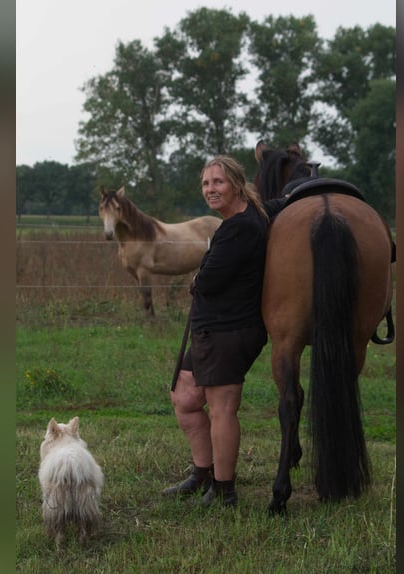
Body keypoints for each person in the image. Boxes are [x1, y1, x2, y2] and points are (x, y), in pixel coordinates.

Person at [163, 156, 276, 507]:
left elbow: (210, 279)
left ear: (237, 185)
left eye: (218, 182)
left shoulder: (242, 226)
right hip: (209, 330)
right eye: (206, 184)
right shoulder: (235, 223)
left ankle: (225, 491)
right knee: (184, 397)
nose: (210, 189)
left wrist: (198, 278)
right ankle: (202, 473)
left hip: (230, 330)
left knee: (221, 408)